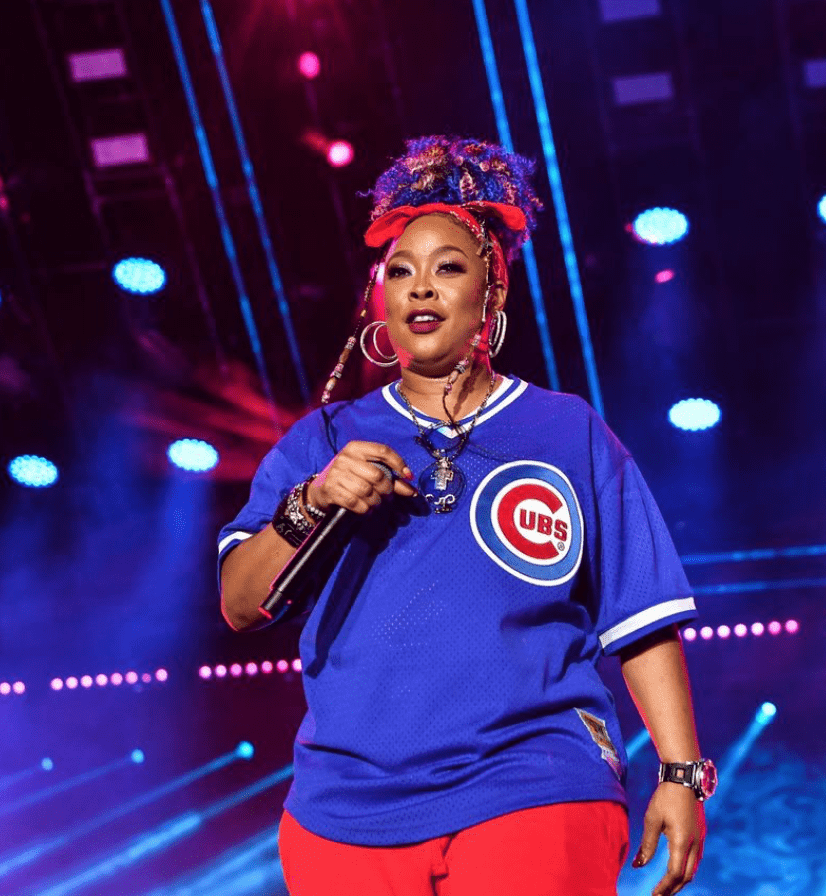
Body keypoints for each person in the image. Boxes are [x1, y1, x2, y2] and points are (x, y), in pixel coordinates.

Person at [217, 136, 712, 896]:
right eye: (401, 271)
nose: (420, 289)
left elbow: (641, 614)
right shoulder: (320, 441)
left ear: (494, 290)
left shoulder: (565, 430)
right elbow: (239, 604)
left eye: (448, 268)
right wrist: (310, 502)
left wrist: (680, 773)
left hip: (535, 779)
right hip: (345, 810)